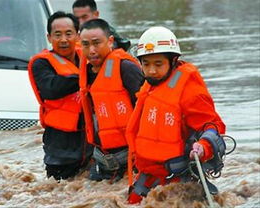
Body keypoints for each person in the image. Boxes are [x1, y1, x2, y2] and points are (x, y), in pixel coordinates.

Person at [125, 26, 227, 204]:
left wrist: (203, 146)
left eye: (158, 64)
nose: (151, 71)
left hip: (178, 178)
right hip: (147, 176)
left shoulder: (190, 92)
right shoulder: (150, 86)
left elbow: (213, 126)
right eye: (146, 64)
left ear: (173, 61)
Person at [28, 11, 92, 181]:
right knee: (58, 189)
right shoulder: (41, 63)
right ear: (49, 37)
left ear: (78, 35)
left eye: (68, 34)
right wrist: (86, 76)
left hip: (89, 139)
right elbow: (52, 88)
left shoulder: (88, 57)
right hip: (60, 144)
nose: (63, 39)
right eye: (58, 34)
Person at [79, 18, 144, 182]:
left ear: (110, 41)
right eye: (85, 45)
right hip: (102, 158)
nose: (91, 50)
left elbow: (147, 110)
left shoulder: (126, 68)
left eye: (96, 43)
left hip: (132, 155)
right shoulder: (86, 73)